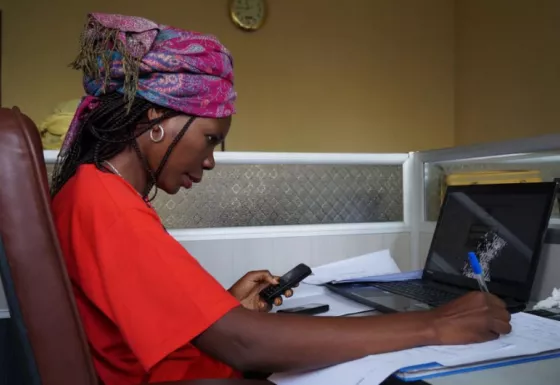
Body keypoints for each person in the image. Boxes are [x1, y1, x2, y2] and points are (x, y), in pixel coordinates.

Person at [50, 12, 512, 385]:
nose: (210, 161)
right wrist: (433, 325)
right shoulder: (105, 204)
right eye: (211, 138)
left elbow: (141, 323)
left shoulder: (92, 192)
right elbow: (243, 344)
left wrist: (219, 308)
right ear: (157, 117)